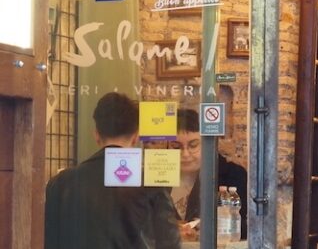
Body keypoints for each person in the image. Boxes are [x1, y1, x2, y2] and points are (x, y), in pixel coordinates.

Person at [45, 92, 181, 249]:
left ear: (96, 135)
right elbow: (169, 242)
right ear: (136, 136)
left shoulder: (61, 183)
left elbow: (48, 239)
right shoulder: (151, 181)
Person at [169, 108, 248, 241]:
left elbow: (242, 229)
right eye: (176, 147)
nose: (185, 154)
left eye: (193, 145)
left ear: (208, 144)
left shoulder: (232, 176)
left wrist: (201, 232)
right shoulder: (155, 177)